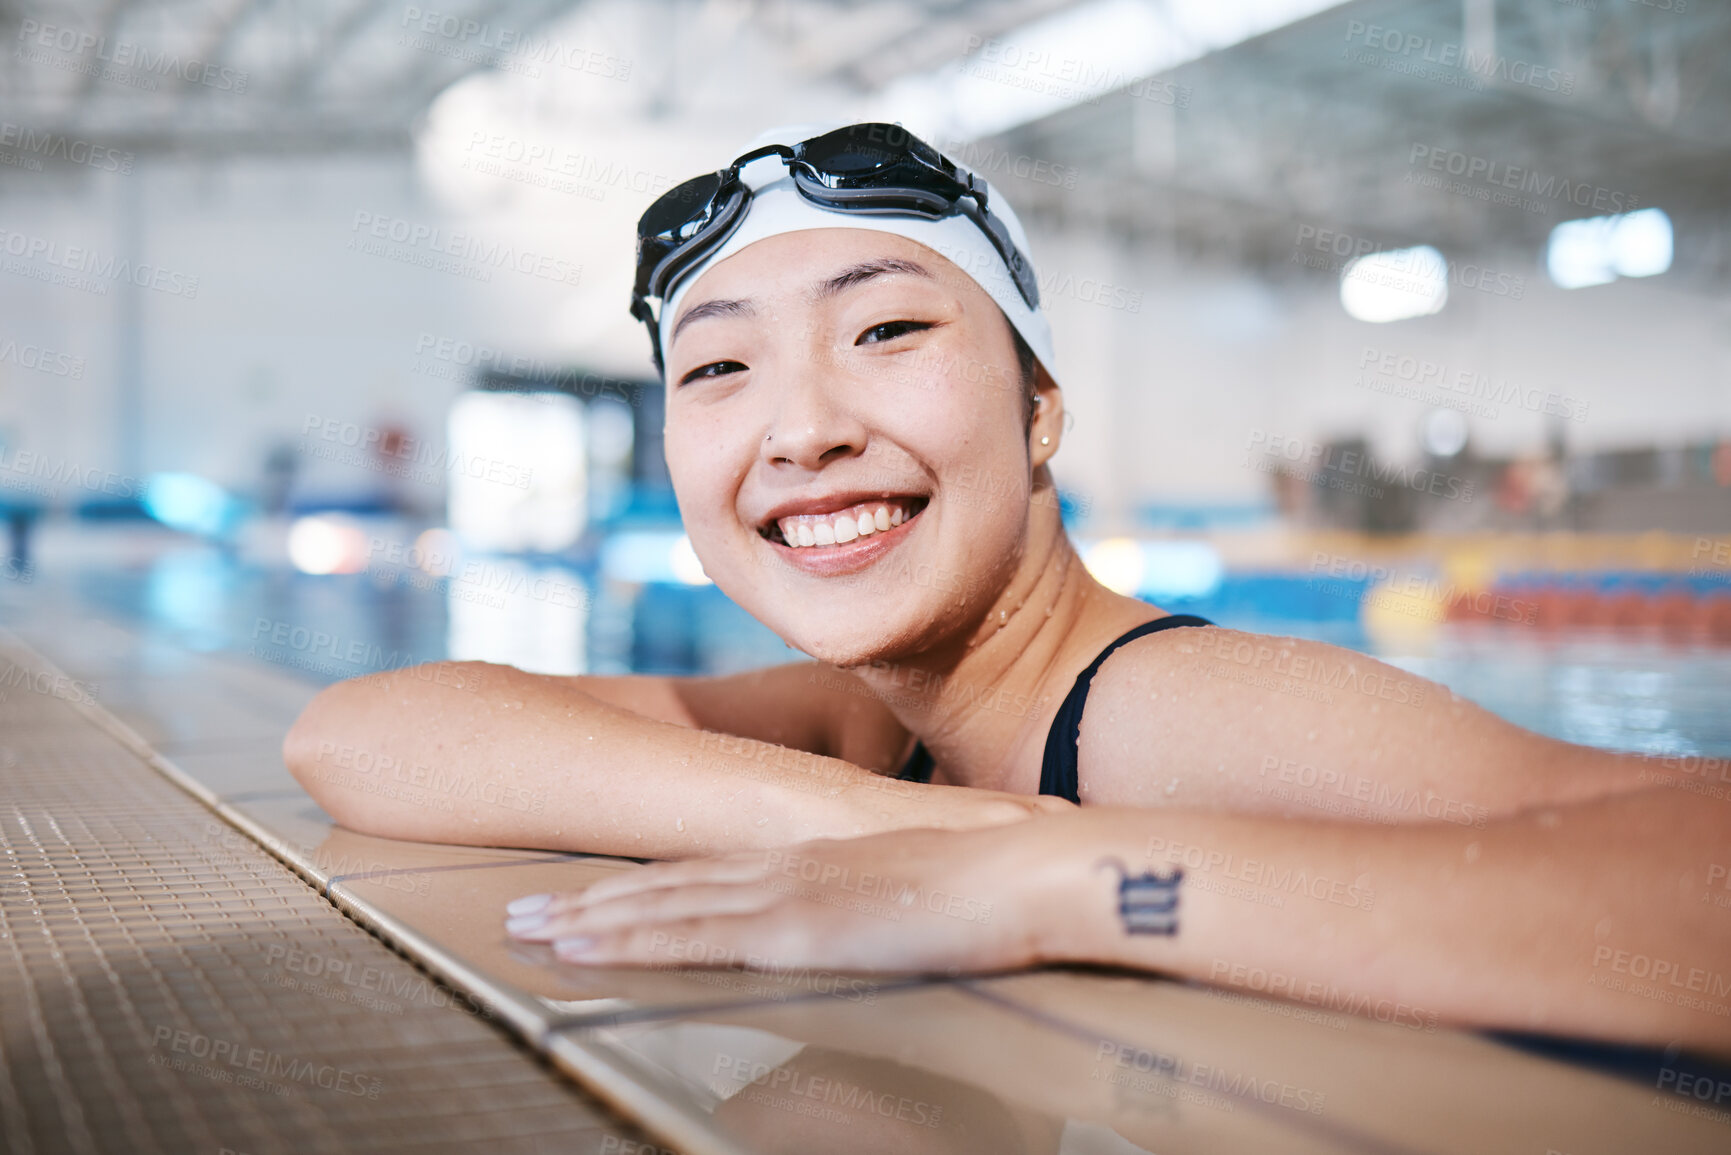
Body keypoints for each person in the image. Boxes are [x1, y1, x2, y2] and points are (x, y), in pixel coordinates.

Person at [284, 122, 1730, 1051]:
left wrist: (1046, 878)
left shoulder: (1169, 711)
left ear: (1042, 408)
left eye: (888, 330)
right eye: (719, 365)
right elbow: (358, 734)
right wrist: (866, 819)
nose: (800, 429)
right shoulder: (870, 728)